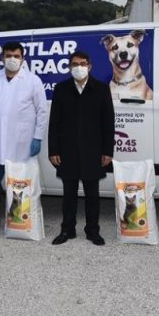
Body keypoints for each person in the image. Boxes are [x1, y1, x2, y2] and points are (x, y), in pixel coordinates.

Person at [48, 50, 115, 246]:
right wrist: (53, 150)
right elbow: (55, 123)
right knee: (68, 195)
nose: (79, 67)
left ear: (90, 66)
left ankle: (93, 231)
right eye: (75, 64)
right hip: (67, 150)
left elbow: (108, 123)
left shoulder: (101, 89)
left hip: (93, 151)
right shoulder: (61, 89)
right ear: (69, 67)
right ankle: (67, 230)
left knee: (92, 195)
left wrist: (107, 152)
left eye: (83, 63)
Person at [0, 42, 48, 223]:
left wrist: (37, 137)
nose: (12, 59)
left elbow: (42, 110)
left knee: (19, 182)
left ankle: (18, 219)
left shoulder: (33, 81)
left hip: (21, 143)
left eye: (16, 56)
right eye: (8, 55)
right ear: (2, 58)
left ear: (23, 58)